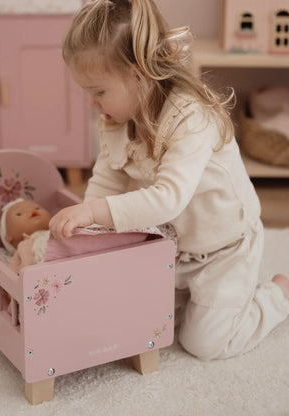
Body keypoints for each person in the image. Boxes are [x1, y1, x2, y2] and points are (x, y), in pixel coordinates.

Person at [49, 0, 289, 360]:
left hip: (225, 248)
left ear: (138, 74)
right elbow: (107, 181)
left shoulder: (189, 117)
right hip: (176, 249)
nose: (92, 104)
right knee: (139, 316)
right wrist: (87, 233)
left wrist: (96, 213)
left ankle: (276, 295)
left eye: (98, 92)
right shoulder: (116, 118)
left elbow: (168, 198)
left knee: (203, 343)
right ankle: (210, 297)